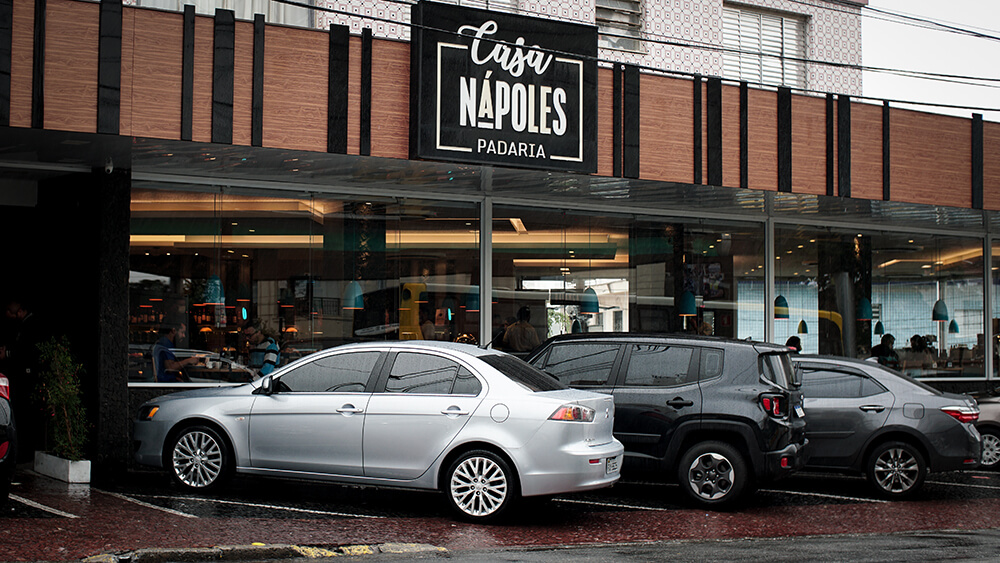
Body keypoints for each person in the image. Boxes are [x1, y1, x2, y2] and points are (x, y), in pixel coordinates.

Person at [1, 299, 44, 462]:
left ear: (19, 312)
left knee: (24, 416)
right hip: (25, 377)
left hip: (27, 378)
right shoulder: (26, 325)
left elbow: (26, 350)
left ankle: (25, 453)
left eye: (12, 314)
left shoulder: (30, 326)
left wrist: (9, 354)